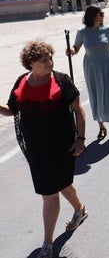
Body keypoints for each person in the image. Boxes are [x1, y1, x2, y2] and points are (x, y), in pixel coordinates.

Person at [0, 41, 88, 258]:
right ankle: (81, 210)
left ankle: (47, 245)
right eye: (44, 60)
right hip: (36, 150)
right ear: (31, 63)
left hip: (62, 146)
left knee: (50, 194)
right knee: (61, 184)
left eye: (50, 58)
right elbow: (12, 110)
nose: (50, 62)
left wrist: (80, 139)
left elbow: (78, 109)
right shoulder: (21, 82)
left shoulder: (61, 80)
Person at [67, 5, 109, 139]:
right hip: (92, 67)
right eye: (101, 14)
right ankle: (101, 126)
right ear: (92, 16)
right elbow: (76, 47)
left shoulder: (107, 30)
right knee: (95, 94)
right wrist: (71, 50)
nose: (103, 16)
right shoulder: (82, 31)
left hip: (108, 64)